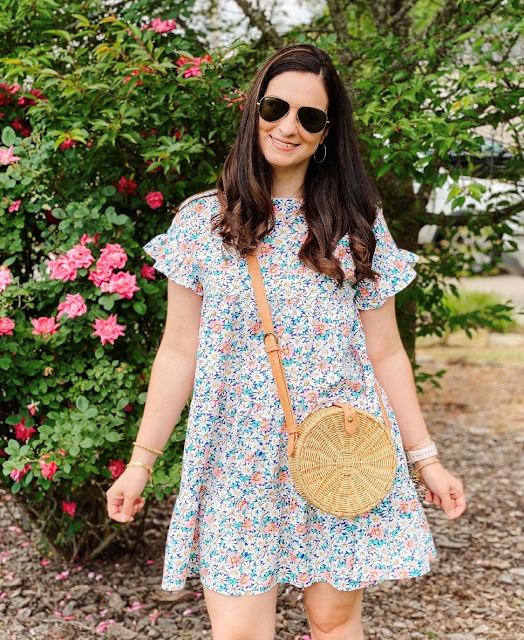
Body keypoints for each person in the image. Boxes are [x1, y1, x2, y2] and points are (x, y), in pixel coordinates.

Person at [106, 43, 466, 640]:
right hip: (236, 455)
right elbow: (178, 350)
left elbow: (385, 351)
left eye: (310, 116)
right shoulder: (202, 222)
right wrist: (140, 464)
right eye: (276, 107)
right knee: (240, 631)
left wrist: (426, 459)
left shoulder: (356, 223)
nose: (288, 127)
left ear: (327, 133)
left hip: (337, 449)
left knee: (333, 619)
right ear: (255, 109)